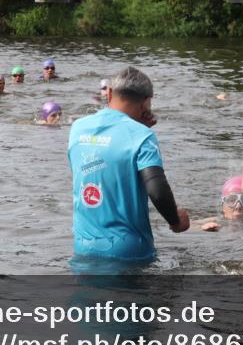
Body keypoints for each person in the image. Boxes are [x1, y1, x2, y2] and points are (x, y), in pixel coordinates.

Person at [68, 66, 190, 263]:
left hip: (84, 247)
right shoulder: (143, 136)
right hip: (130, 251)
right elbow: (156, 188)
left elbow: (104, 164)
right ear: (146, 103)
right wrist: (176, 222)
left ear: (108, 93)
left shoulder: (77, 128)